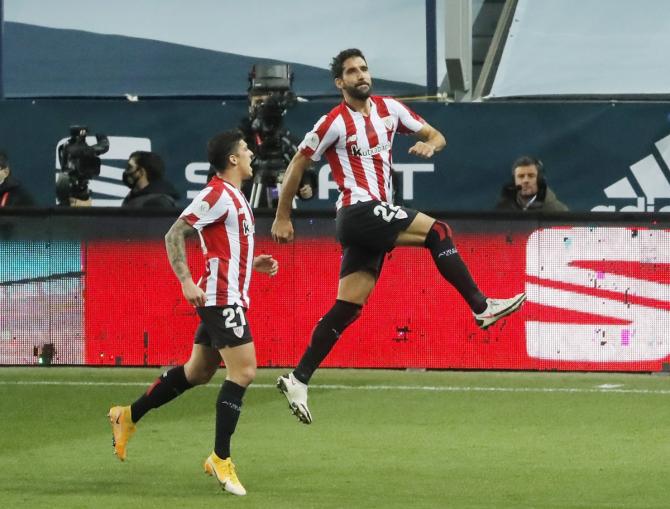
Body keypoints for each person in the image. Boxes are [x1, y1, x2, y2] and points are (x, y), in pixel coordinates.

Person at [270, 48, 526, 425]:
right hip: (357, 211)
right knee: (438, 231)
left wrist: (431, 144)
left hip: (370, 219)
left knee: (349, 307)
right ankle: (480, 306)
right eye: (352, 71)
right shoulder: (333, 123)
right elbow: (298, 164)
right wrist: (282, 215)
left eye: (364, 68)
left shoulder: (390, 109)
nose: (361, 75)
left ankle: (298, 378)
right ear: (340, 82)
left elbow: (437, 135)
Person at [108, 130, 278, 496]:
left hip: (227, 292)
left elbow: (225, 248)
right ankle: (220, 457)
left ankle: (128, 415)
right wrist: (186, 282)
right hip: (220, 298)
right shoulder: (216, 193)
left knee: (199, 371)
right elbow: (174, 235)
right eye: (246, 149)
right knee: (244, 370)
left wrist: (252, 264)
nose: (251, 154)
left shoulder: (235, 197)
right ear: (233, 159)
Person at [495, 156, 569, 211]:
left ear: (540, 180)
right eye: (521, 176)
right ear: (514, 181)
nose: (525, 180)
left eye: (531, 176)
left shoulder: (557, 211)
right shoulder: (502, 209)